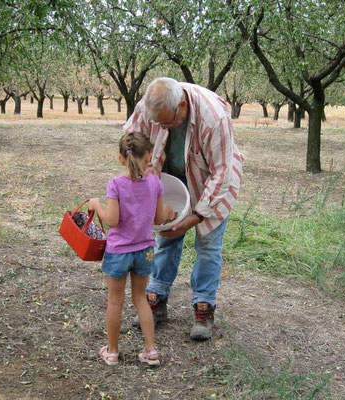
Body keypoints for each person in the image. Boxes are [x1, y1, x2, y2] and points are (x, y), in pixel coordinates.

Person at [125, 77, 244, 340]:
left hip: (210, 182)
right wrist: (144, 171)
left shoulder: (214, 117)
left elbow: (222, 172)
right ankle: (156, 301)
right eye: (159, 124)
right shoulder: (150, 107)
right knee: (165, 239)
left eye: (168, 123)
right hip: (172, 178)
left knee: (208, 245)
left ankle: (204, 307)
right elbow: (131, 142)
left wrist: (196, 216)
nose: (163, 128)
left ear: (181, 105)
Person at [88, 131, 175, 366]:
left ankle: (113, 351)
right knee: (141, 299)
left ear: (120, 158)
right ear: (149, 156)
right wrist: (167, 212)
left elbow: (113, 220)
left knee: (115, 301)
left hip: (119, 252)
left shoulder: (115, 184)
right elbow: (158, 218)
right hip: (145, 251)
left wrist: (97, 206)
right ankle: (151, 350)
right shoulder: (155, 183)